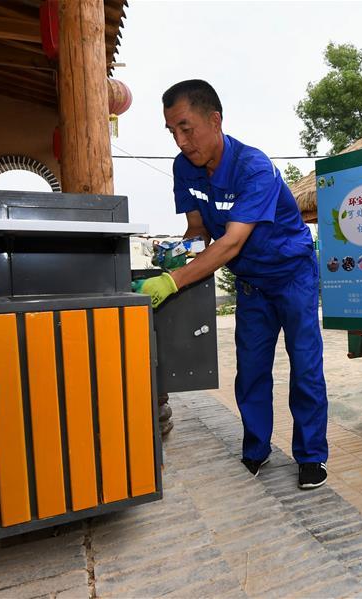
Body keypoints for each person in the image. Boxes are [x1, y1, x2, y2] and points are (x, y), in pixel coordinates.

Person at [135, 79, 329, 489]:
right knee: (251, 371)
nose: (181, 141)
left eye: (187, 128)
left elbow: (231, 242)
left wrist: (173, 281)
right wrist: (175, 256)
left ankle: (311, 455)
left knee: (305, 368)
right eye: (172, 131)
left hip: (292, 275)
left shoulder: (253, 167)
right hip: (252, 285)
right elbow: (197, 228)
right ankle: (257, 449)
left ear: (215, 120)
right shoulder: (183, 168)